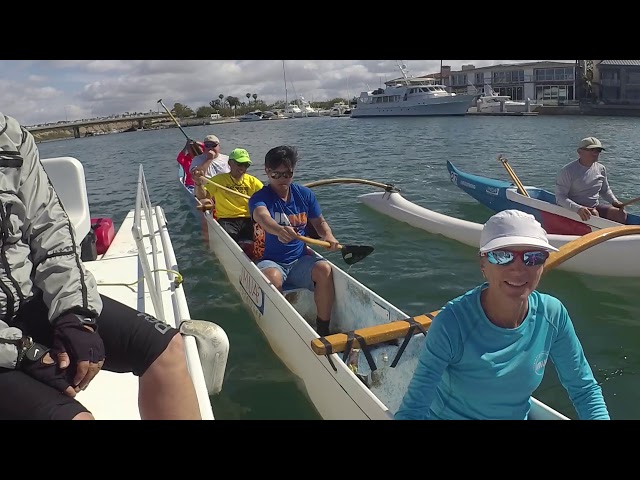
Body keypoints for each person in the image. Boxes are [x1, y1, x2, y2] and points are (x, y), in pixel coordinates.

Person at [0, 111, 202, 420]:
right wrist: (24, 353)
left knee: (167, 349)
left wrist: (74, 314)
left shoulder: (9, 135)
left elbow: (50, 231)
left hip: (29, 298)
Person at [395, 209, 610, 420]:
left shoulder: (553, 314)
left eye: (532, 257)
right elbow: (413, 409)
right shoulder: (451, 324)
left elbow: (584, 390)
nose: (518, 269)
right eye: (502, 256)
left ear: (543, 264)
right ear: (483, 265)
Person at [249, 145, 340, 337]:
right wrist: (278, 229)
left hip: (299, 260)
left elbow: (320, 222)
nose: (283, 180)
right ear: (267, 171)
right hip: (271, 260)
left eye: (288, 174)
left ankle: (323, 328)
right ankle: (286, 329)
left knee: (325, 269)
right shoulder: (260, 197)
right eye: (277, 175)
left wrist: (328, 236)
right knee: (272, 276)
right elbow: (262, 217)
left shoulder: (305, 195)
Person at [196, 148, 264, 244]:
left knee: (250, 243)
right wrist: (198, 184)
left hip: (247, 219)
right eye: (240, 164)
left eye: (246, 165)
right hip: (227, 219)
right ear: (230, 163)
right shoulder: (218, 180)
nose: (243, 168)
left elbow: (267, 196)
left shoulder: (253, 181)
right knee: (232, 240)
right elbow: (202, 197)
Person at [555, 136, 627, 224]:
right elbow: (560, 197)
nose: (595, 153)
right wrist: (578, 209)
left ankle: (619, 235)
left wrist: (614, 201)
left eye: (598, 151)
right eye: (592, 150)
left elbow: (605, 190)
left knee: (621, 214)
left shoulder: (601, 168)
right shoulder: (567, 171)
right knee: (593, 214)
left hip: (594, 207)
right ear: (579, 152)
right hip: (573, 210)